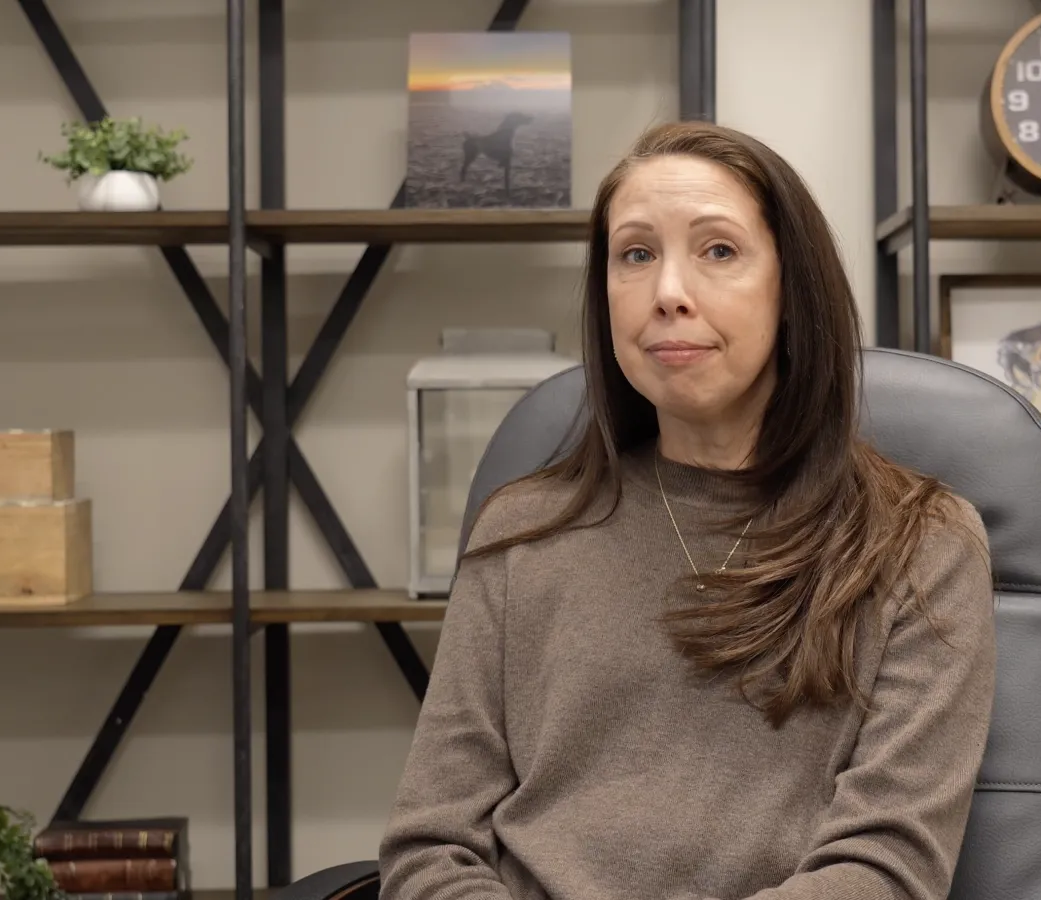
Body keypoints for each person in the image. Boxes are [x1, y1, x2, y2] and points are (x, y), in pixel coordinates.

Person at [377, 120, 997, 900]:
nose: (668, 294)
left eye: (719, 251)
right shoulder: (522, 533)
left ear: (791, 288)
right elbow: (430, 849)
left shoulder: (920, 546)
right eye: (635, 254)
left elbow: (885, 870)